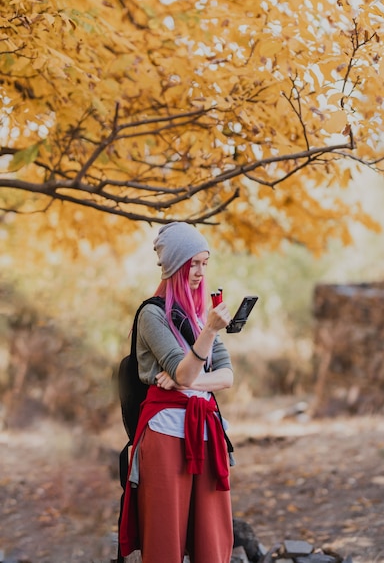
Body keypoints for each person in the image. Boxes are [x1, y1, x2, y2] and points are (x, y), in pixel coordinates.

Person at [119, 221, 234, 563]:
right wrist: (209, 335)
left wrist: (188, 381)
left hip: (205, 432)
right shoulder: (153, 315)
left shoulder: (201, 317)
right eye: (192, 264)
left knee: (211, 542)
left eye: (204, 263)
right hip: (165, 433)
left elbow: (226, 377)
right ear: (174, 267)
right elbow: (183, 370)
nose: (199, 272)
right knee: (164, 542)